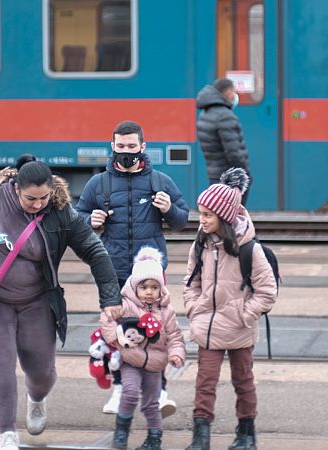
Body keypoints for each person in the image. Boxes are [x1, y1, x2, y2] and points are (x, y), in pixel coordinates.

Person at [0, 155, 122, 450]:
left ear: (52, 189)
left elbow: (94, 250)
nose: (38, 204)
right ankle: (7, 434)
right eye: (30, 198)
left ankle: (36, 398)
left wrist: (110, 298)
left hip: (37, 300)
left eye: (44, 197)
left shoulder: (61, 212)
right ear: (16, 189)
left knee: (41, 373)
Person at [76, 120, 189, 415]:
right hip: (113, 268)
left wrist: (168, 209)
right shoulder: (98, 184)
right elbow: (77, 219)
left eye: (131, 146)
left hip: (150, 273)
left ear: (143, 146)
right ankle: (119, 390)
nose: (126, 151)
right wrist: (91, 221)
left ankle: (159, 392)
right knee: (117, 330)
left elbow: (182, 220)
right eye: (121, 146)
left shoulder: (160, 181)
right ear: (112, 147)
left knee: (156, 330)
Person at [182, 167, 277, 450]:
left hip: (239, 329)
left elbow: (267, 291)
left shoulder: (250, 249)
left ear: (223, 217)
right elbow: (190, 282)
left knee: (243, 381)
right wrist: (194, 309)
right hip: (208, 328)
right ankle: (201, 438)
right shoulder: (200, 244)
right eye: (200, 213)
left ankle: (246, 434)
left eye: (207, 215)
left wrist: (243, 315)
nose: (202, 220)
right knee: (204, 383)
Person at [99, 246, 186, 450]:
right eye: (144, 286)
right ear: (134, 286)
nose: (149, 291)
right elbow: (107, 318)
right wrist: (114, 338)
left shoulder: (166, 311)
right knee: (129, 393)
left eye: (154, 287)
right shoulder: (126, 305)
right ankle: (122, 431)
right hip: (130, 359)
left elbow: (175, 336)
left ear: (161, 289)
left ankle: (154, 439)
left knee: (151, 404)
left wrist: (176, 354)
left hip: (155, 363)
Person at [196, 78, 251, 204]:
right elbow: (234, 152)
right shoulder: (225, 116)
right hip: (229, 178)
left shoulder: (205, 113)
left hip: (214, 175)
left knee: (219, 216)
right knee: (231, 217)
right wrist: (245, 174)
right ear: (227, 93)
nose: (235, 96)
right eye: (233, 91)